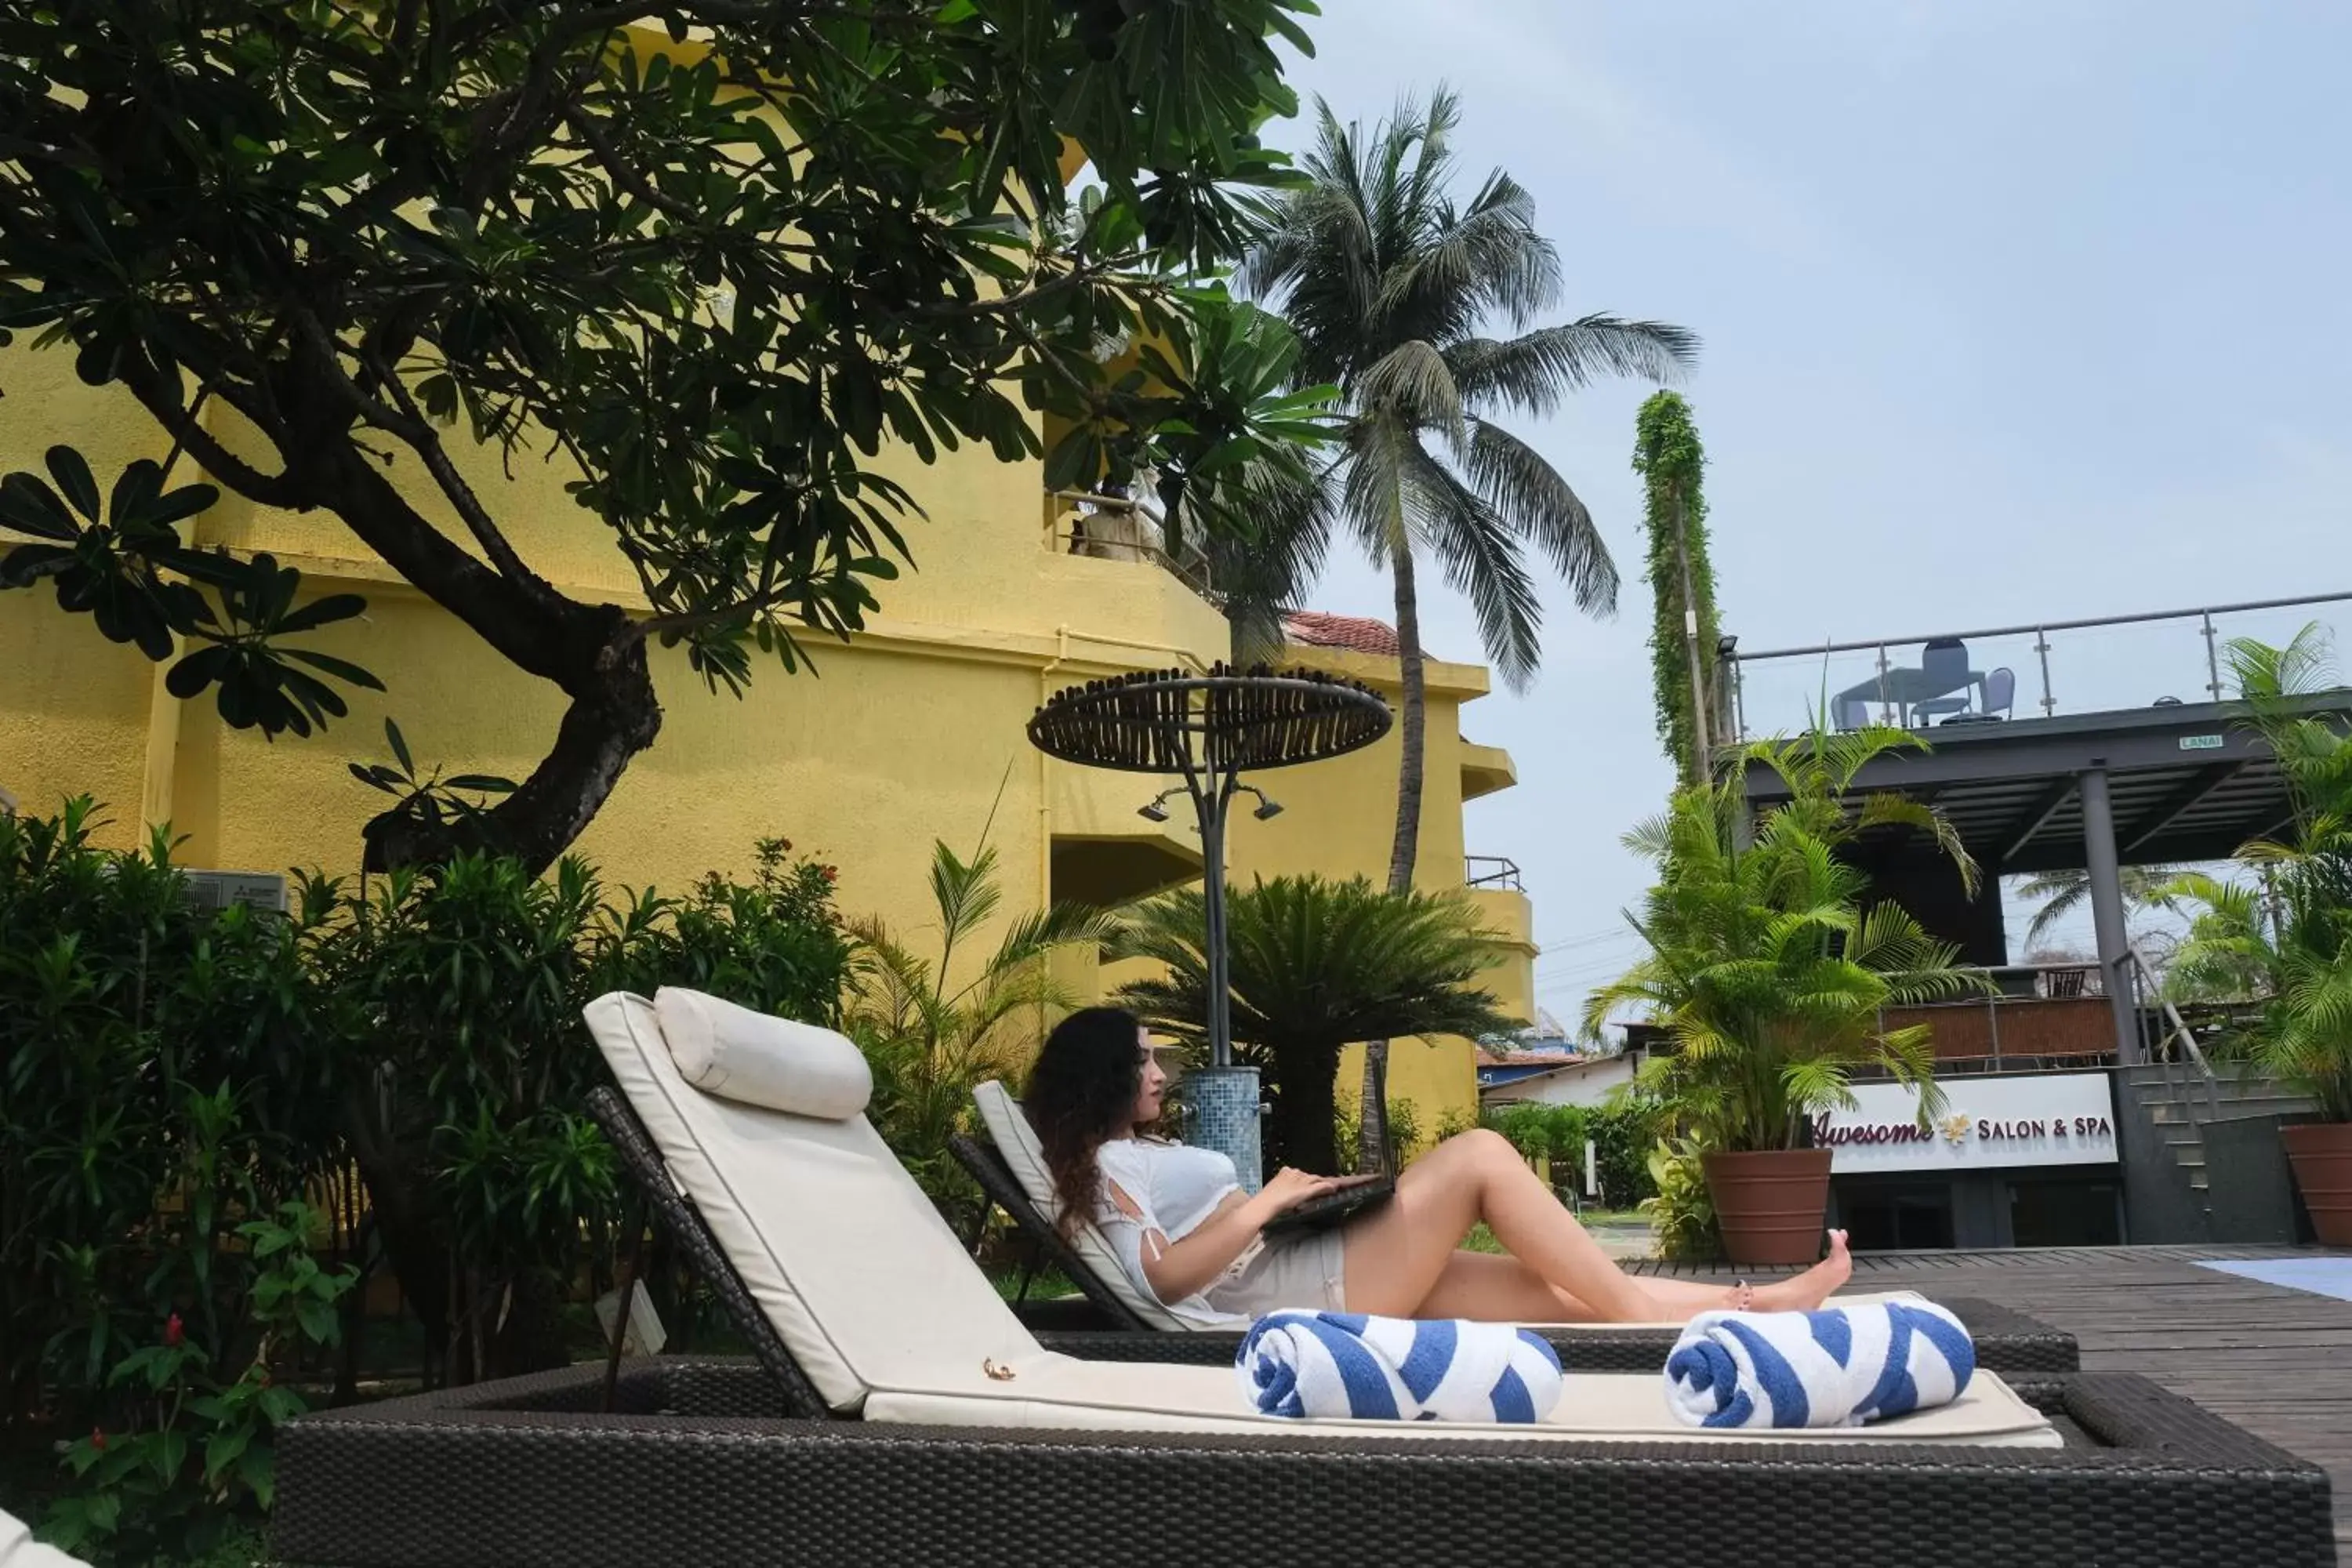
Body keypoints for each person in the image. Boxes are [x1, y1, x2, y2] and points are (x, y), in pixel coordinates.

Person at [1024, 1006, 1852, 1325]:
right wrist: (1264, 1204)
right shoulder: (1102, 1168)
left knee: (1556, 1294)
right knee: (1481, 1155)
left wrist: (1292, 1204)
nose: (1160, 1071)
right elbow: (1160, 1278)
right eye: (1143, 1060)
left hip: (1308, 1259)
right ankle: (1651, 1320)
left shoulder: (1126, 1154)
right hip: (1297, 1283)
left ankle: (1760, 1303)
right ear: (1105, 1076)